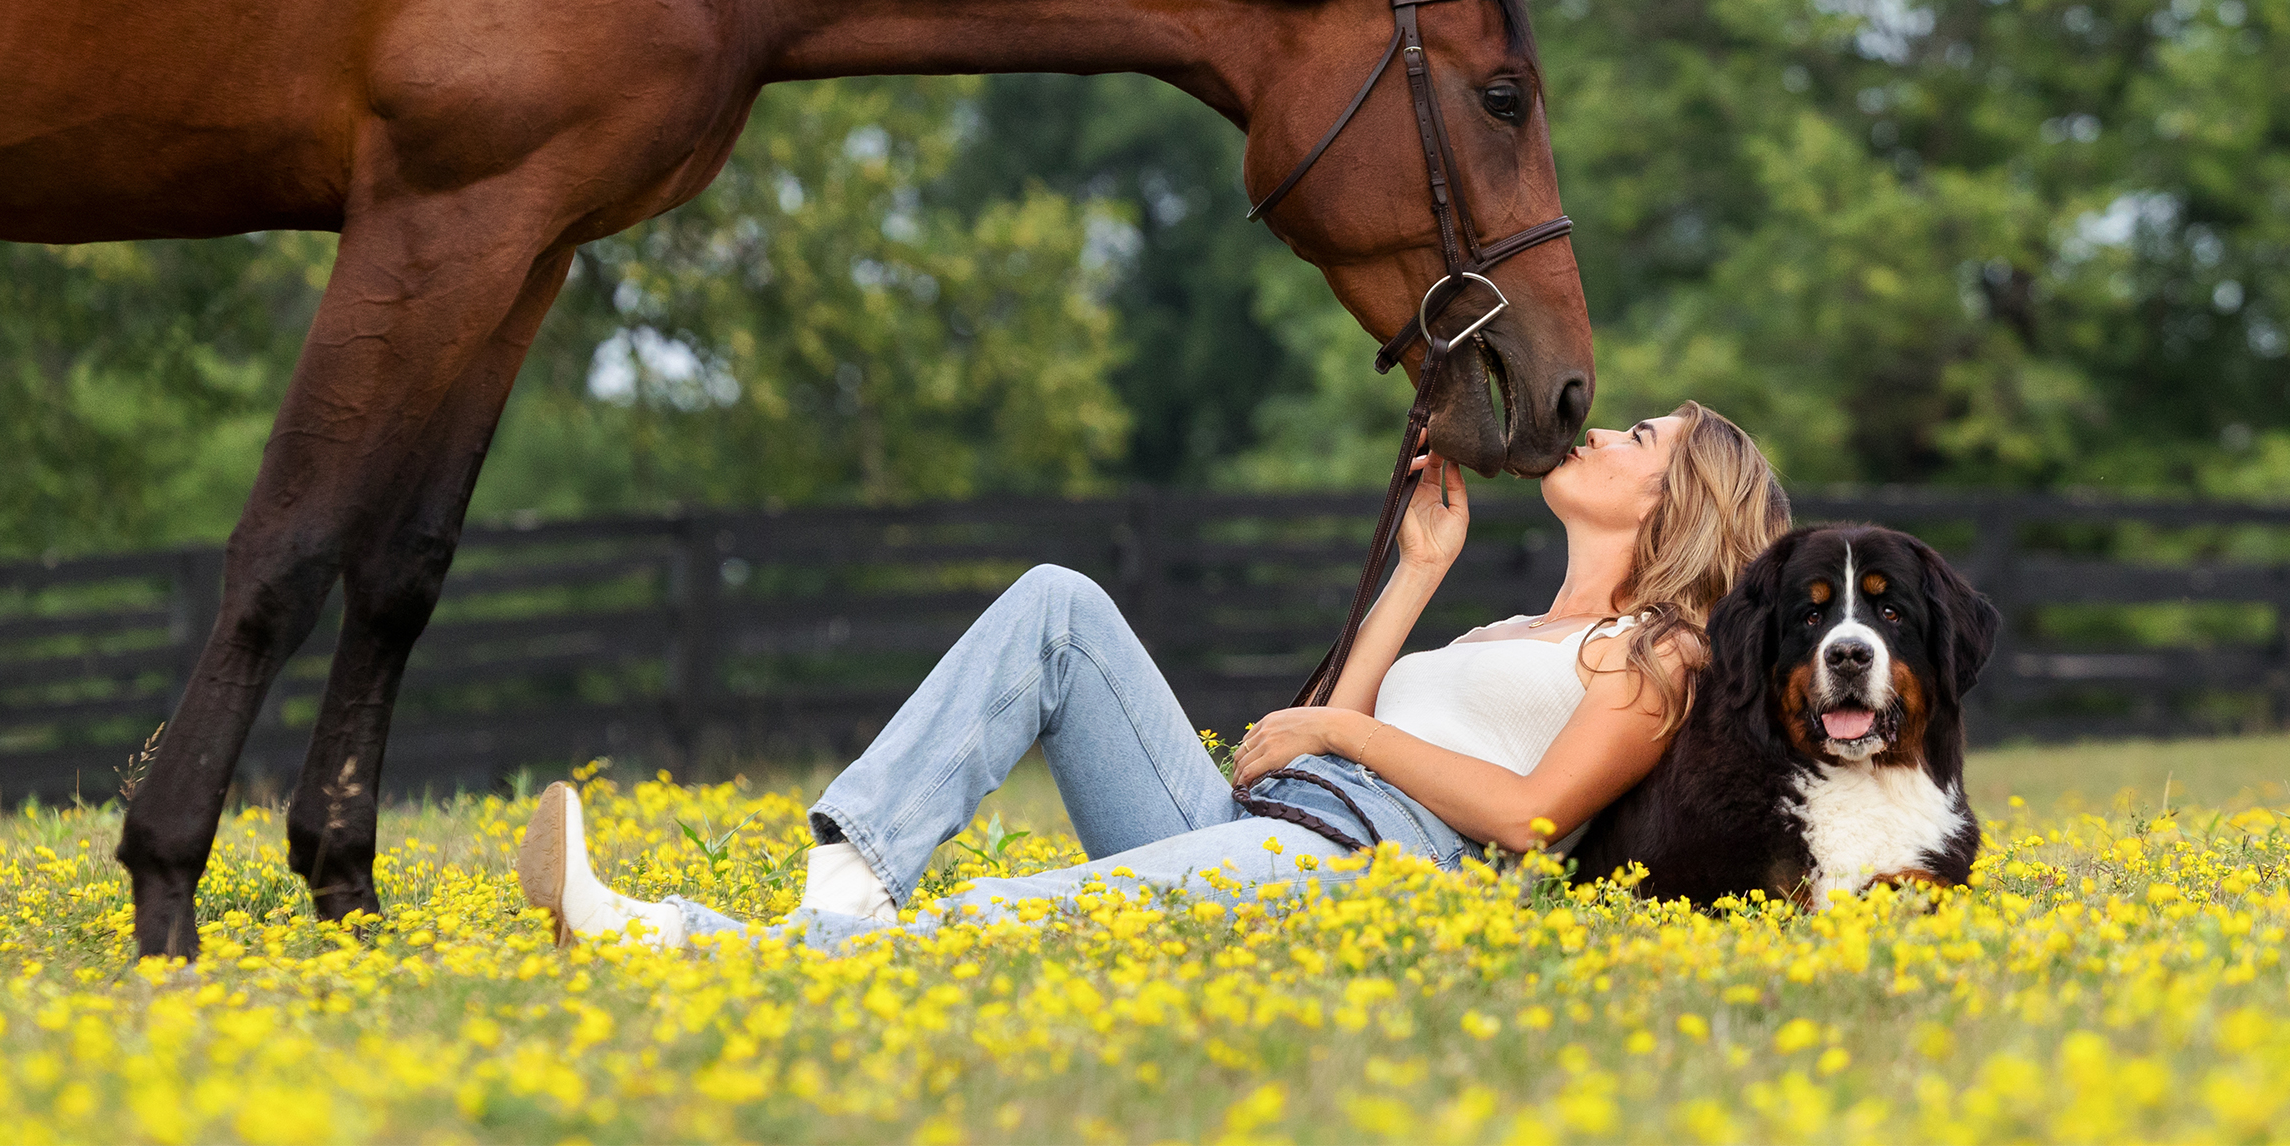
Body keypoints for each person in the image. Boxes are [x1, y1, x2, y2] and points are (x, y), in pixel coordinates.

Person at [517, 402, 1788, 948]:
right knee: (1058, 606)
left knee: (1015, 919)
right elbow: (1322, 733)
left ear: (1677, 502)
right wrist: (1416, 575)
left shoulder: (1656, 654)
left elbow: (1530, 817)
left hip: (1357, 868)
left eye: (1642, 439)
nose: (1607, 428)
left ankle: (667, 942)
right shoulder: (1510, 625)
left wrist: (1343, 741)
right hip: (1269, 823)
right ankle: (845, 885)